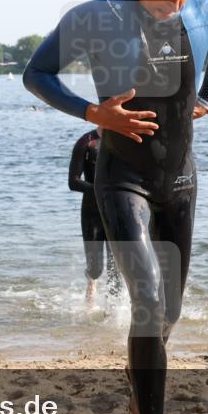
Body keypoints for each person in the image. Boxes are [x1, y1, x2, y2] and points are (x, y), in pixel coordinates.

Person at [24, 0, 208, 414]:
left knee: (169, 315)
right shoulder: (96, 17)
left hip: (181, 182)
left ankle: (139, 376)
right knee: (147, 302)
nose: (176, 4)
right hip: (122, 178)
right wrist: (93, 113)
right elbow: (37, 73)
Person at [69, 128, 120, 302]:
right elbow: (73, 182)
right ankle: (91, 281)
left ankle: (113, 309)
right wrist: (101, 190)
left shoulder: (126, 141)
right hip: (92, 211)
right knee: (95, 269)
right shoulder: (86, 142)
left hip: (117, 211)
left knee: (116, 267)